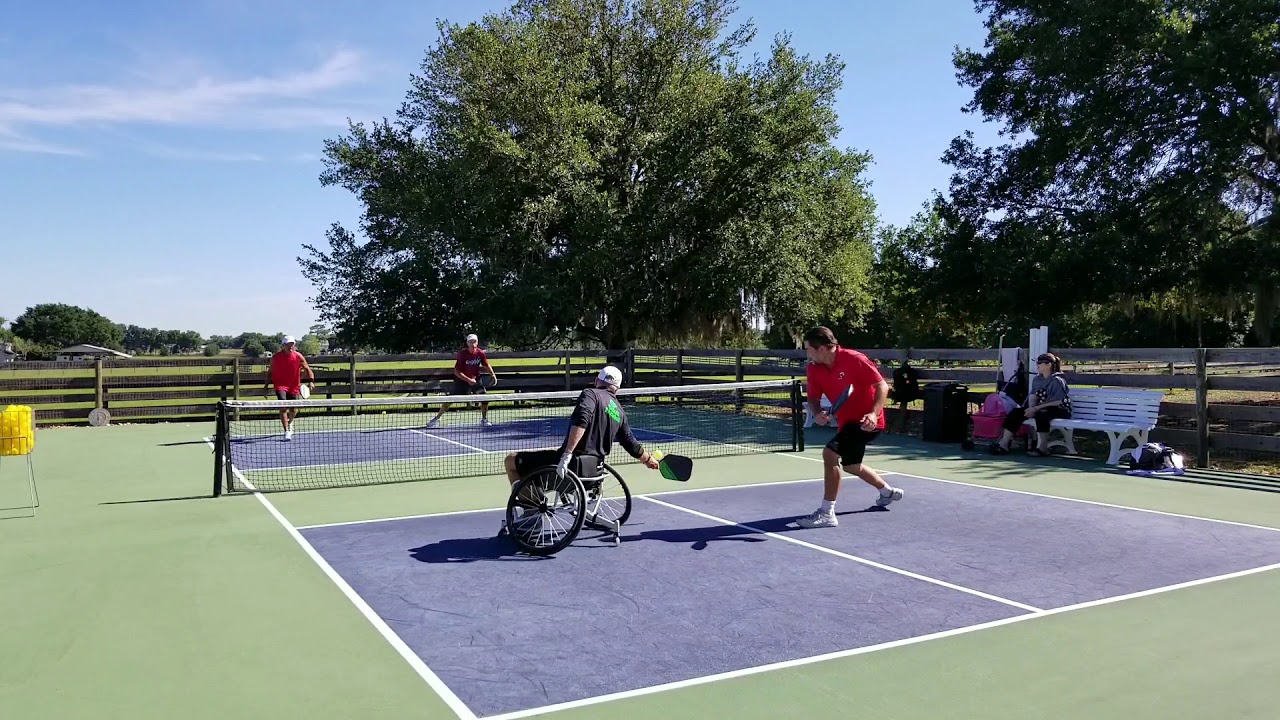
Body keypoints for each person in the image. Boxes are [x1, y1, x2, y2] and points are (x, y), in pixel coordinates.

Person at [500, 365, 660, 533]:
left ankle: (532, 512)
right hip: (594, 475)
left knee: (511, 460)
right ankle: (534, 504)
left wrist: (567, 454)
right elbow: (631, 443)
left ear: (598, 381)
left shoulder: (590, 394)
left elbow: (582, 419)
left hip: (570, 470)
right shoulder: (619, 411)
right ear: (617, 388)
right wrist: (649, 460)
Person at [797, 326, 903, 528]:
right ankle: (887, 492)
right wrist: (817, 412)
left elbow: (881, 385)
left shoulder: (855, 359)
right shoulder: (814, 368)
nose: (807, 353)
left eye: (808, 349)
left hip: (867, 422)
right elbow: (812, 397)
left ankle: (827, 512)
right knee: (851, 465)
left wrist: (874, 413)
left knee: (830, 454)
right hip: (846, 424)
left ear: (821, 349)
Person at [990, 352, 1071, 456]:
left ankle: (1042, 448)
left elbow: (1058, 401)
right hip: (1041, 408)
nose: (1037, 365)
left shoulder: (1057, 380)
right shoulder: (1037, 379)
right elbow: (1033, 395)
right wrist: (1031, 408)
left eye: (1040, 363)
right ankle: (1004, 444)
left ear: (1048, 365)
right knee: (1016, 413)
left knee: (1042, 415)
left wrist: (1036, 409)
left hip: (1060, 409)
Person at [426, 333, 497, 427]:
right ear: (467, 343)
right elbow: (456, 371)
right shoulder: (462, 354)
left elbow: (486, 364)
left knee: (484, 398)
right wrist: (468, 380)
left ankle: (484, 419)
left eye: (474, 341)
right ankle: (436, 419)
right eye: (471, 342)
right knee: (450, 400)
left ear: (477, 342)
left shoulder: (480, 353)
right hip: (462, 381)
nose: (473, 343)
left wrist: (493, 375)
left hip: (475, 380)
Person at [264, 335, 315, 441]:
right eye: (289, 345)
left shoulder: (298, 356)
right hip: (280, 386)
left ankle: (291, 422)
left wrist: (311, 382)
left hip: (294, 386)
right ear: (283, 346)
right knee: (283, 406)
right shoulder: (276, 358)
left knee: (293, 409)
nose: (291, 346)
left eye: (293, 344)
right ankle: (286, 431)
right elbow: (270, 372)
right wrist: (266, 385)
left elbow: (307, 369)